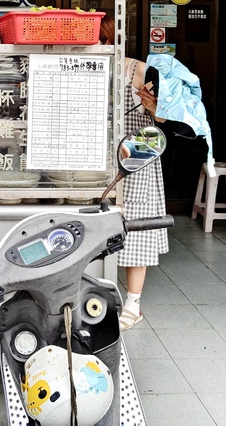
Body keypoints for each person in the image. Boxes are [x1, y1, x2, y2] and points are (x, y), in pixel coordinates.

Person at [98, 17, 168, 331]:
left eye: (100, 42)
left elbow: (165, 119)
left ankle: (133, 304)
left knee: (136, 233)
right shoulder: (85, 65)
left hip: (137, 160)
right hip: (98, 160)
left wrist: (153, 108)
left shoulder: (140, 71)